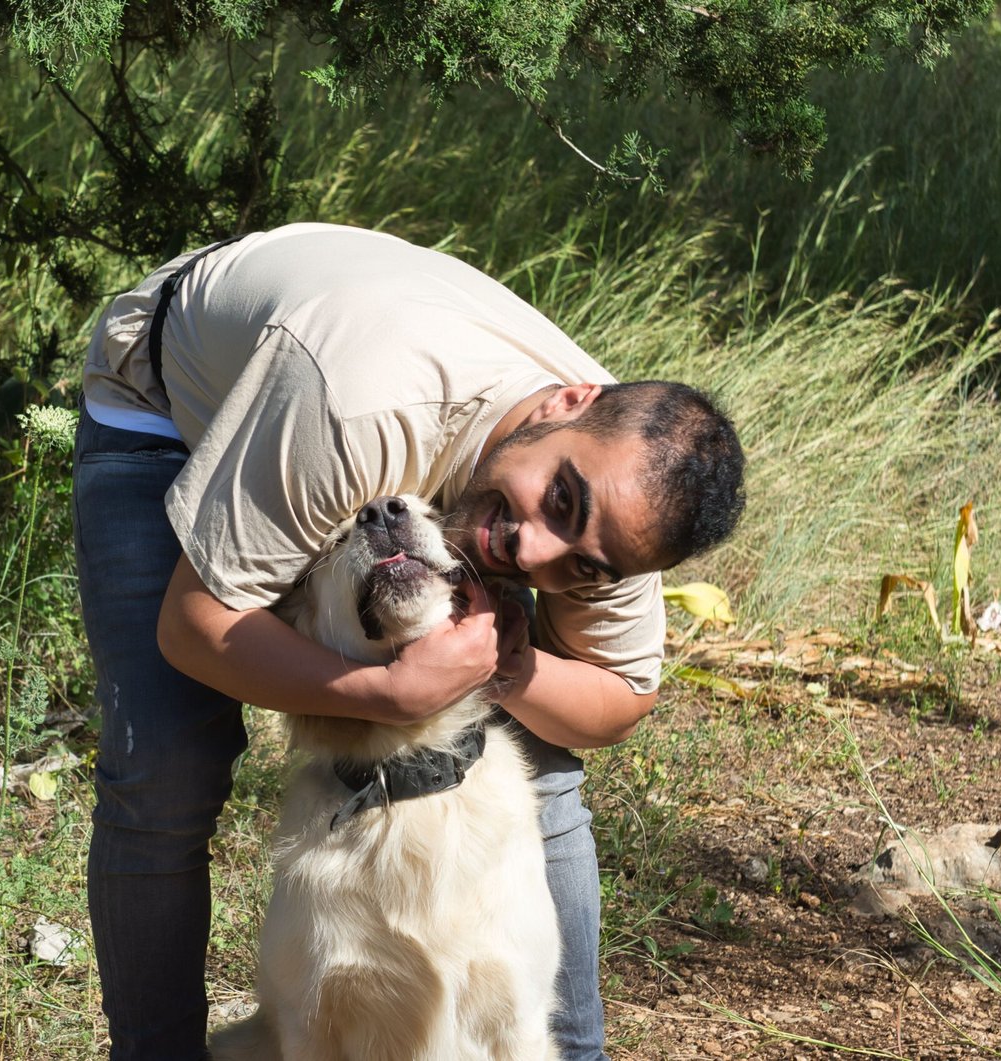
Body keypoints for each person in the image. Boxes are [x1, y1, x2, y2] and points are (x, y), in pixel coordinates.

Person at [70, 223, 745, 1060]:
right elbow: (193, 626)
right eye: (557, 502)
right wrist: (388, 694)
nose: (533, 551)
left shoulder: (625, 491)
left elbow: (616, 701)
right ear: (571, 399)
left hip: (378, 427)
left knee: (551, 769)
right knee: (164, 768)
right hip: (172, 404)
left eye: (585, 563)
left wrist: (511, 660)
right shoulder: (354, 407)